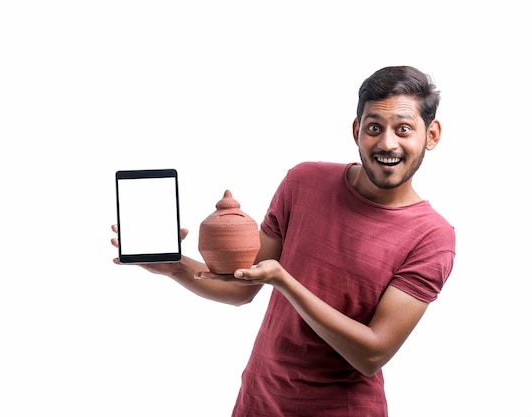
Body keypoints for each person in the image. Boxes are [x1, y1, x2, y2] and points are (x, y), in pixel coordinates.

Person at [111, 65, 456, 417]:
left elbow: (372, 353)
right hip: (259, 402)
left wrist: (285, 282)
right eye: (374, 128)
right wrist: (175, 267)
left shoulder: (432, 237)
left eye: (403, 129)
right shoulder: (303, 181)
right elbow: (243, 286)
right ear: (356, 131)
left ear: (431, 135)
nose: (387, 143)